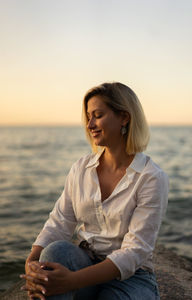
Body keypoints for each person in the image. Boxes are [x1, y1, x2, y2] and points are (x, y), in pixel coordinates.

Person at [20, 82, 168, 300]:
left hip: (131, 277)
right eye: (88, 116)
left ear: (124, 118)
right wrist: (32, 261)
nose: (90, 124)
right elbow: (60, 221)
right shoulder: (81, 168)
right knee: (52, 254)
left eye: (98, 115)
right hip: (85, 261)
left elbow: (135, 251)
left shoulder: (151, 177)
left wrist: (71, 281)